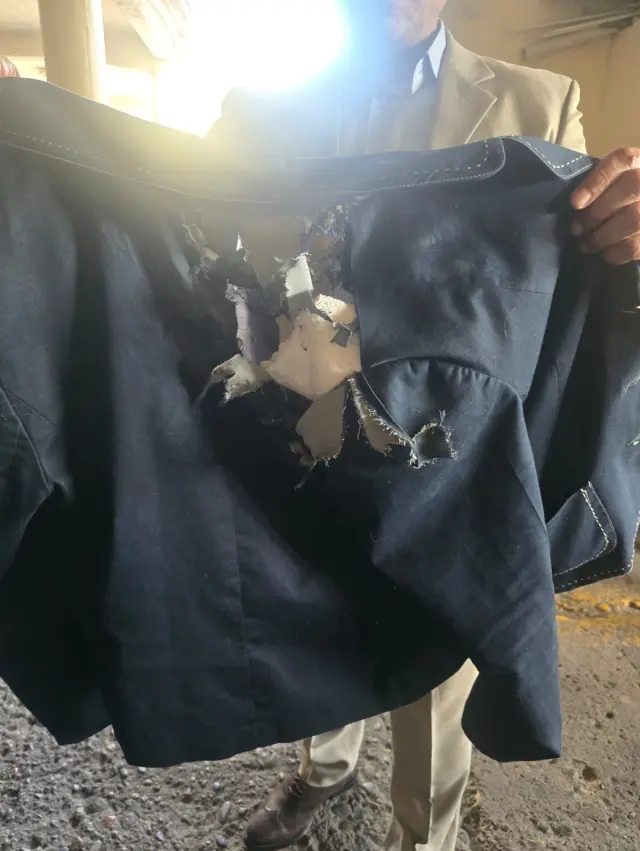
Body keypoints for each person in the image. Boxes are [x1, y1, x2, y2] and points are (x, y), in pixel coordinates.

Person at [210, 3, 640, 850]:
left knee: (437, 682)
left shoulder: (539, 102)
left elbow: (584, 288)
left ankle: (422, 838)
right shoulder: (262, 105)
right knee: (313, 621)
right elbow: (158, 208)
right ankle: (324, 769)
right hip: (302, 437)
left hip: (450, 464)